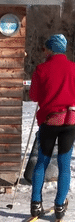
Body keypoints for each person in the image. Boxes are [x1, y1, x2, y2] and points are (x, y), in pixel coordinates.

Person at [29, 34, 75, 220]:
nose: (44, 51)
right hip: (70, 120)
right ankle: (59, 205)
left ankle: (35, 203)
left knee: (42, 162)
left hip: (49, 120)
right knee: (64, 165)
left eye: (45, 48)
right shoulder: (73, 68)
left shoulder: (41, 69)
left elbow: (33, 96)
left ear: (50, 49)